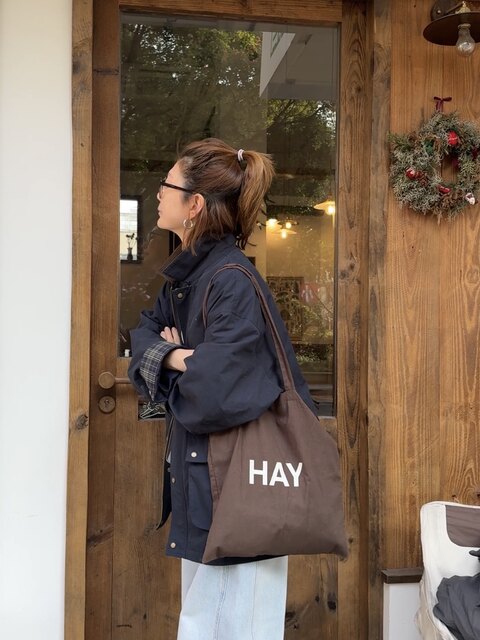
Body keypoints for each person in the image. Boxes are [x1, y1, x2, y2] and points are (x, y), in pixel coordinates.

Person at [128, 138, 318, 640]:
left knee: (231, 627)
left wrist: (178, 362)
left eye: (167, 184)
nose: (158, 193)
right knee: (208, 625)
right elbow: (142, 337)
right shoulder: (186, 280)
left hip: (237, 493)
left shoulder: (230, 280)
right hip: (207, 487)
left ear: (194, 204)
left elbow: (214, 393)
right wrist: (176, 356)